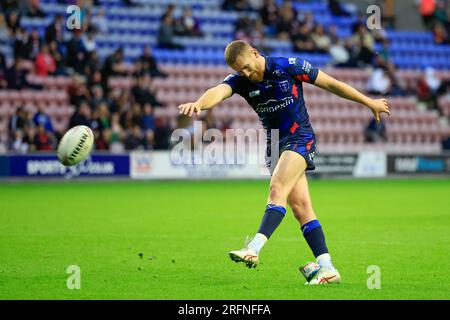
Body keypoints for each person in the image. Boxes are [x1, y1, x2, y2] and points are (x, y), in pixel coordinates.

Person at [178, 40, 390, 285]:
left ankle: (253, 248)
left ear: (255, 53)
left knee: (277, 189)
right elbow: (219, 91)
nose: (246, 74)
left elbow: (331, 83)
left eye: (247, 66)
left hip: (300, 138)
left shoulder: (288, 66)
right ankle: (327, 268)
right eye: (241, 71)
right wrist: (199, 105)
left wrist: (369, 102)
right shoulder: (240, 81)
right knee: (301, 208)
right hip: (275, 145)